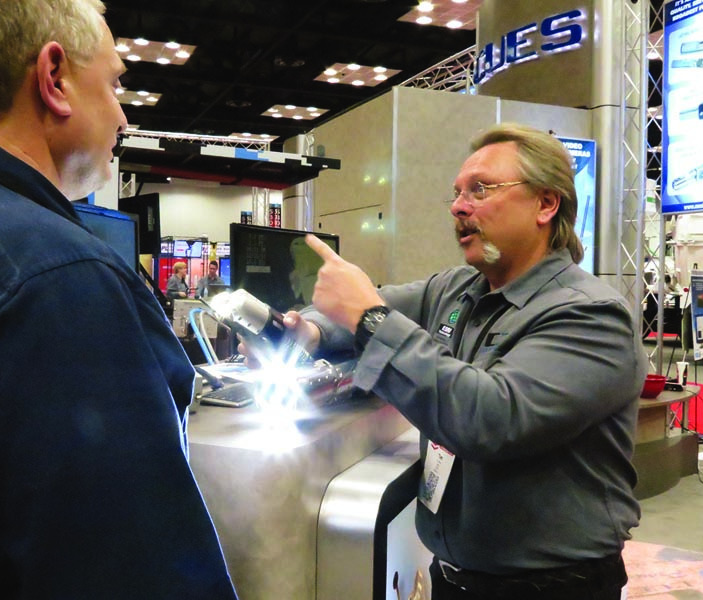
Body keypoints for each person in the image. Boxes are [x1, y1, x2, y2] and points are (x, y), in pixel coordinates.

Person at [0, 1, 237, 598]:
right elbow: (139, 574)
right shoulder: (59, 282)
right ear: (55, 79)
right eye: (116, 84)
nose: (122, 116)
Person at [277, 123, 647, 599]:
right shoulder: (456, 289)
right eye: (456, 193)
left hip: (549, 587)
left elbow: (489, 418)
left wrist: (368, 317)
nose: (458, 206)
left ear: (545, 204)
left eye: (481, 189)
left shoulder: (590, 316)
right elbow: (359, 310)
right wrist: (307, 331)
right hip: (454, 575)